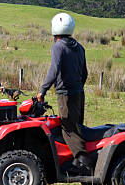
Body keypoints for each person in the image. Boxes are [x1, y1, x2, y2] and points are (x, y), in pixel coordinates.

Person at [36, 12, 91, 173]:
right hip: (79, 93)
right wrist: (78, 87)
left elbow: (54, 70)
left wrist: (43, 90)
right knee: (77, 126)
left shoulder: (58, 47)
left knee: (68, 128)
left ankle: (83, 160)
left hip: (65, 94)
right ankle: (74, 159)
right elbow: (85, 73)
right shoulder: (79, 47)